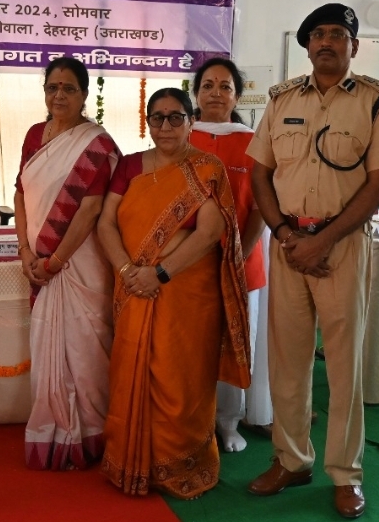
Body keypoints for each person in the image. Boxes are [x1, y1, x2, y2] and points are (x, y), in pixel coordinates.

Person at [246, 3, 379, 519]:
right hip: (288, 243)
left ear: (354, 45)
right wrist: (286, 234)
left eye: (337, 34)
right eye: (318, 34)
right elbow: (260, 173)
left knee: (343, 365)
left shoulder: (376, 102)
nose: (327, 41)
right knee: (287, 361)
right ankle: (291, 460)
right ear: (307, 45)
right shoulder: (282, 99)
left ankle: (345, 473)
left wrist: (324, 240)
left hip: (343, 245)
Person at [98, 88, 251, 500]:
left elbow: (209, 232)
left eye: (176, 117)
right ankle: (133, 462)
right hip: (133, 287)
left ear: (190, 121)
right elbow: (106, 223)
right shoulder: (129, 166)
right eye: (157, 118)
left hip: (186, 292)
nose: (166, 126)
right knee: (132, 370)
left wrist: (160, 273)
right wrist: (128, 271)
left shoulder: (208, 168)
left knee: (181, 377)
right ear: (148, 122)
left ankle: (181, 464)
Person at [14, 57, 120, 470]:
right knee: (49, 349)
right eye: (52, 87)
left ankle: (90, 433)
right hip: (39, 260)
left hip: (80, 263)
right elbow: (20, 193)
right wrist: (26, 252)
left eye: (69, 88)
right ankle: (53, 430)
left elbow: (91, 209)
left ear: (84, 94)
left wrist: (55, 260)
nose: (59, 95)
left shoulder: (97, 144)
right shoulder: (34, 135)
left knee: (86, 349)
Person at [189, 57, 272, 452]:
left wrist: (241, 254)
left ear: (237, 96)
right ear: (196, 93)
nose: (216, 93)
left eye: (225, 86)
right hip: (187, 265)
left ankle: (228, 422)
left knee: (236, 343)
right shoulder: (180, 137)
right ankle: (192, 421)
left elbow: (261, 206)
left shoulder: (253, 143)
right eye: (208, 85)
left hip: (241, 264)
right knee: (190, 344)